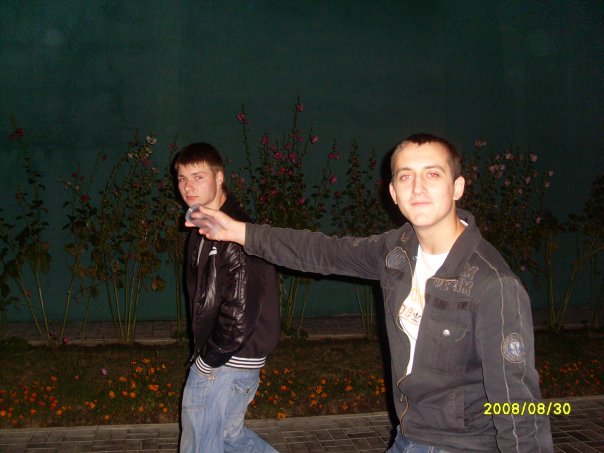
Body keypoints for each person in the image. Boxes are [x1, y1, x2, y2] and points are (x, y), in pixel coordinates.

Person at [190, 133, 554, 452]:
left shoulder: (492, 284)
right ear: (393, 193)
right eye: (405, 176)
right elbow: (322, 251)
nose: (418, 188)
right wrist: (239, 232)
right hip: (409, 435)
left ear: (457, 187)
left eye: (432, 174)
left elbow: (520, 404)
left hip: (460, 444)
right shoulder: (398, 252)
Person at [174, 142, 280, 453]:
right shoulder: (202, 227)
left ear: (219, 178)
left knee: (201, 446)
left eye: (198, 177)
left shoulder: (235, 233)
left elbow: (240, 313)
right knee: (230, 439)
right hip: (228, 357)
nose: (188, 187)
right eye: (182, 179)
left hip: (227, 360)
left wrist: (206, 361)